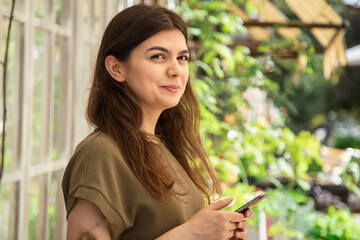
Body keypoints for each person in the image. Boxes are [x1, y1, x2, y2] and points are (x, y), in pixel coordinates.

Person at [62, 3, 252, 240]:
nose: (176, 70)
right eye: (158, 56)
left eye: (182, 58)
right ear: (116, 68)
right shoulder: (100, 153)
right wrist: (191, 233)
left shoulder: (162, 146)